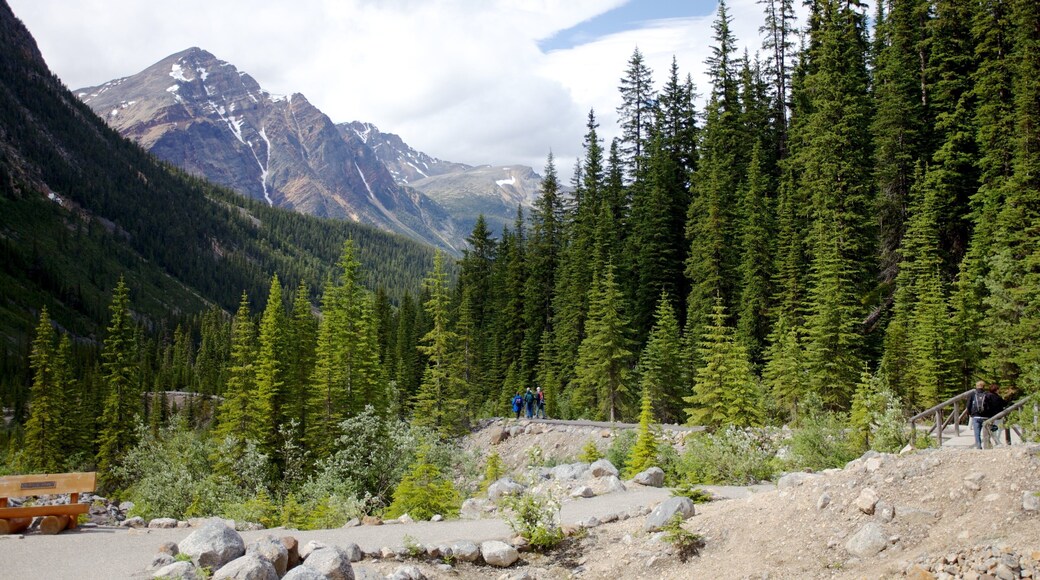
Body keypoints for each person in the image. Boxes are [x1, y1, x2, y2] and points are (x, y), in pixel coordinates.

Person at [966, 380, 999, 449]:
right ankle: (987, 445)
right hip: (986, 416)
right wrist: (992, 415)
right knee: (987, 432)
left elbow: (968, 405)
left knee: (977, 433)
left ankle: (978, 446)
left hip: (976, 416)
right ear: (984, 386)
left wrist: (969, 413)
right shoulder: (987, 394)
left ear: (976, 386)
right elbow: (992, 405)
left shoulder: (972, 394)